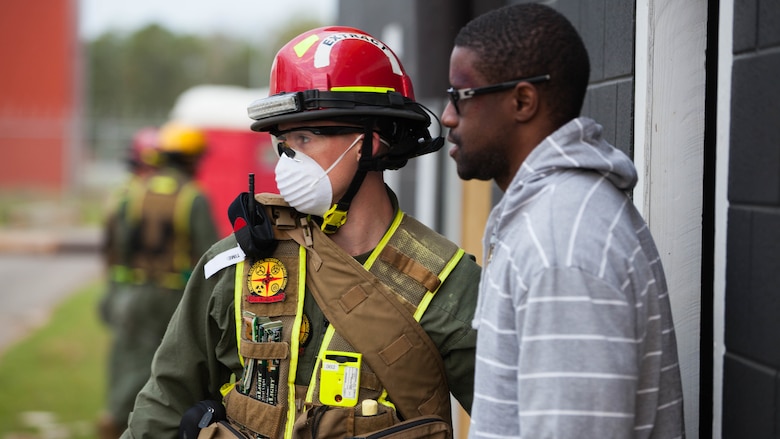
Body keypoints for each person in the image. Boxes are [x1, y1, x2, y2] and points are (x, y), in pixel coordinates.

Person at [121, 26, 480, 439]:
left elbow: (511, 417)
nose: (289, 160)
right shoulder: (235, 265)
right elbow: (164, 402)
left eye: (306, 137)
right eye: (284, 141)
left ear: (373, 141)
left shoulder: (448, 284)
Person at [441, 4, 685, 438]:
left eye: (461, 95)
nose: (447, 116)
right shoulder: (549, 217)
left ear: (522, 101)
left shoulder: (562, 244)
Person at [99, 122, 219, 438]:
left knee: (127, 357)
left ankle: (115, 418)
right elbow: (211, 254)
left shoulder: (133, 192)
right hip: (172, 295)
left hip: (131, 290)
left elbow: (117, 247)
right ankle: (133, 424)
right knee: (167, 368)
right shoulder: (194, 197)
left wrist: (116, 292)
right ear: (192, 159)